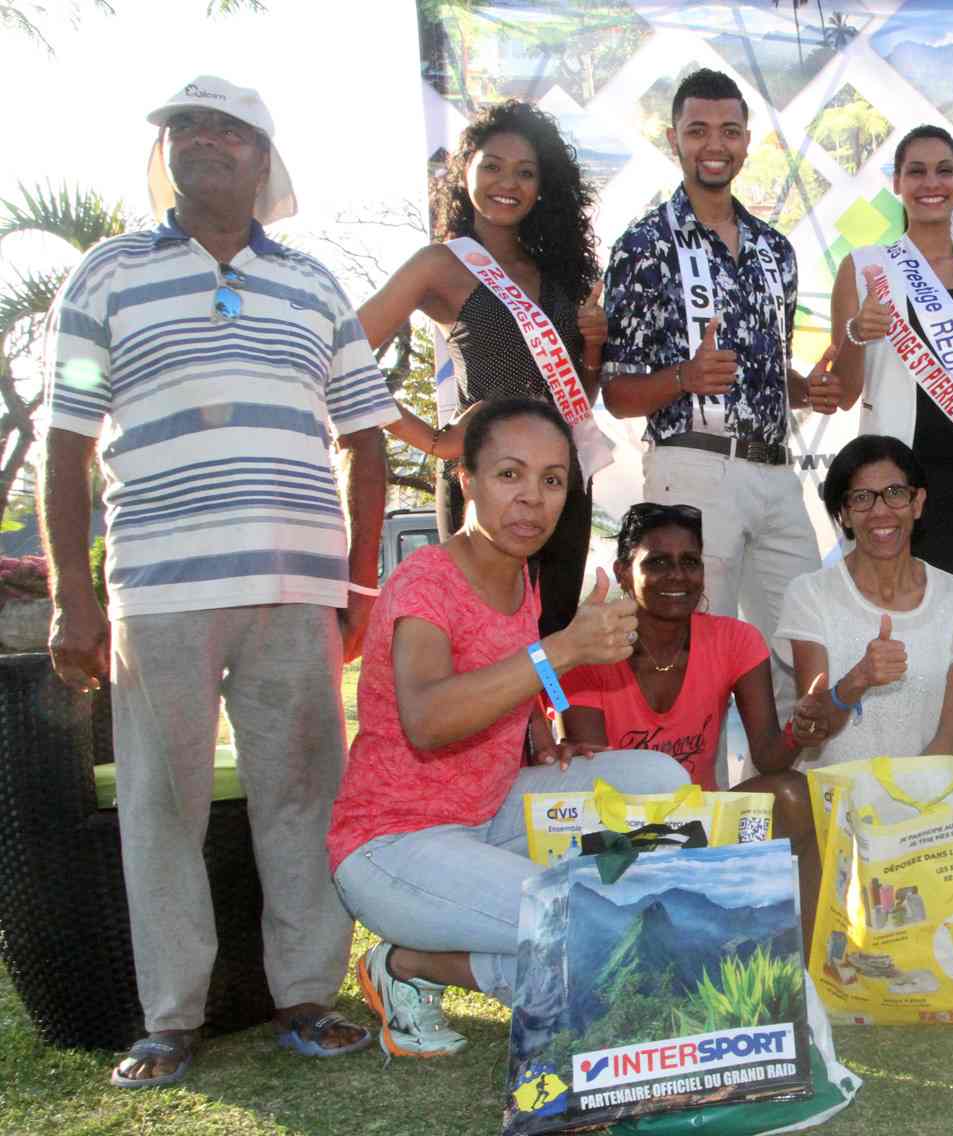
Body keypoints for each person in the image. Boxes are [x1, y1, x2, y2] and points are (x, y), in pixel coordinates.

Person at [39, 76, 396, 1087]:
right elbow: (65, 448)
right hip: (158, 586)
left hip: (296, 585)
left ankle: (305, 994)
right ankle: (169, 1017)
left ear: (262, 157)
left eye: (228, 129)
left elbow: (368, 440)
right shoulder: (104, 275)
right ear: (166, 152)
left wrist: (358, 584)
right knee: (162, 803)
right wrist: (73, 593)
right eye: (183, 126)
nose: (203, 140)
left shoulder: (316, 285)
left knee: (302, 795)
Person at [328, 400, 644, 1058]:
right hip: (393, 848)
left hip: (488, 810)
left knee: (657, 781)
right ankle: (407, 963)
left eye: (553, 480)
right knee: (584, 926)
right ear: (467, 480)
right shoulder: (426, 585)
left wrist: (543, 729)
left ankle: (524, 932)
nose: (532, 499)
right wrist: (562, 652)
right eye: (510, 475)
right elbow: (428, 719)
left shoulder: (521, 576)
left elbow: (511, 667)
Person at [602, 69, 841, 770]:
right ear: (673, 139)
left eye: (730, 130)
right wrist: (683, 378)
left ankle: (795, 827)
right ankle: (695, 836)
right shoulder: (644, 245)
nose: (716, 144)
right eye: (699, 129)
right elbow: (616, 393)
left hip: (776, 472)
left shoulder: (775, 249)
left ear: (746, 141)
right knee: (693, 659)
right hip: (692, 468)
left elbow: (761, 371)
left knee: (801, 654)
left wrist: (805, 390)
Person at [357, 99, 607, 637]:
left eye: (525, 172)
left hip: (561, 483)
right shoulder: (440, 265)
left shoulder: (559, 273)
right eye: (492, 165)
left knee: (552, 636)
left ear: (545, 186)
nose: (507, 183)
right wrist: (431, 440)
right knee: (481, 638)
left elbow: (579, 399)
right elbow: (342, 355)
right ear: (464, 169)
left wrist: (592, 349)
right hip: (486, 484)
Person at [558, 502, 830, 940]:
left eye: (690, 562)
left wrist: (800, 729)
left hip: (705, 827)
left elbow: (768, 758)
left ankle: (805, 965)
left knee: (794, 794)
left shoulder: (735, 639)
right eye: (658, 563)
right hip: (620, 838)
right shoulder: (589, 649)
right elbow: (597, 781)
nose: (677, 576)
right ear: (624, 573)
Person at [825, 123, 953, 625]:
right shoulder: (863, 267)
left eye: (944, 171)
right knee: (894, 627)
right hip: (892, 486)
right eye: (916, 171)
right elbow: (845, 392)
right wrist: (856, 331)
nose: (930, 183)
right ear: (897, 183)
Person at [777, 435, 953, 766]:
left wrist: (909, 807)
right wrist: (858, 678)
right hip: (831, 805)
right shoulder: (809, 595)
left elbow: (951, 737)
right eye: (862, 498)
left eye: (894, 494)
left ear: (917, 503)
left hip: (922, 802)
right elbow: (815, 727)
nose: (880, 512)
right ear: (844, 514)